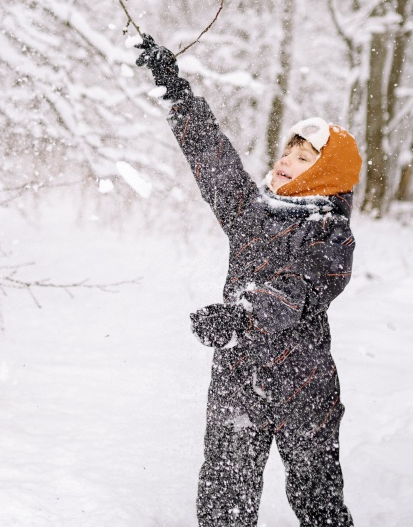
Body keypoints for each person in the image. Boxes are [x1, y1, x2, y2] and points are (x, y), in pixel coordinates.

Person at [135, 33, 360, 527]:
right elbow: (217, 165)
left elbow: (295, 292)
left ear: (329, 174)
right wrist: (177, 95)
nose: (284, 162)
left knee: (317, 499)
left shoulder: (331, 234)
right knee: (223, 498)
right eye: (287, 152)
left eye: (303, 160)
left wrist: (242, 319)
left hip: (304, 387)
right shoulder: (253, 214)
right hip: (237, 379)